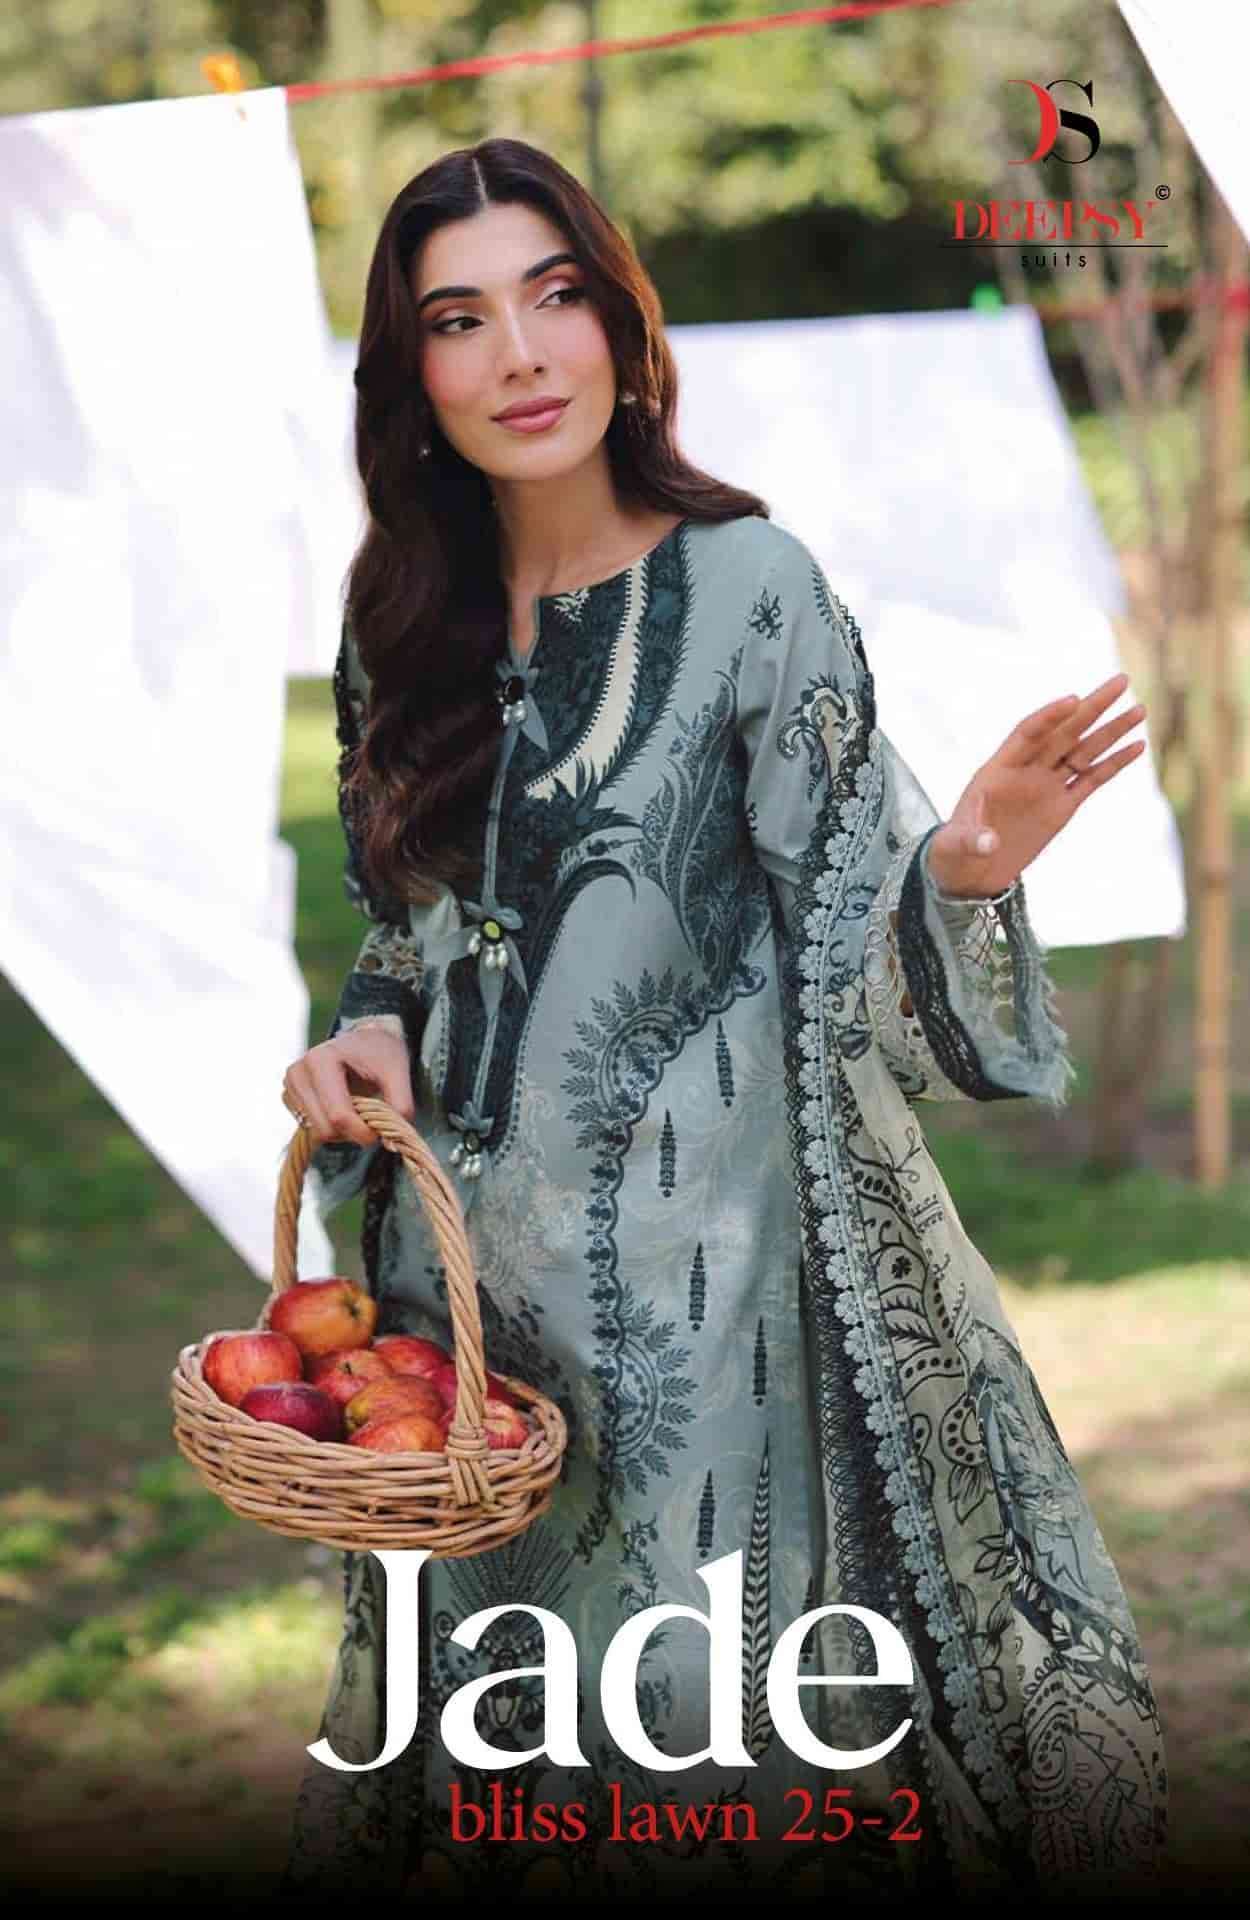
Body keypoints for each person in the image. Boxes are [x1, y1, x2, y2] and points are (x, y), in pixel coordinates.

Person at [279, 138, 1165, 1901]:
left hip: (719, 1314)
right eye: (459, 320)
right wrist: (364, 1028)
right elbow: (409, 931)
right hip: (468, 1329)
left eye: (553, 297)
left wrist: (965, 865)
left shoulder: (749, 591)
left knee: (714, 1743)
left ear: (618, 322)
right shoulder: (400, 623)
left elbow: (848, 953)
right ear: (411, 374)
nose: (519, 356)